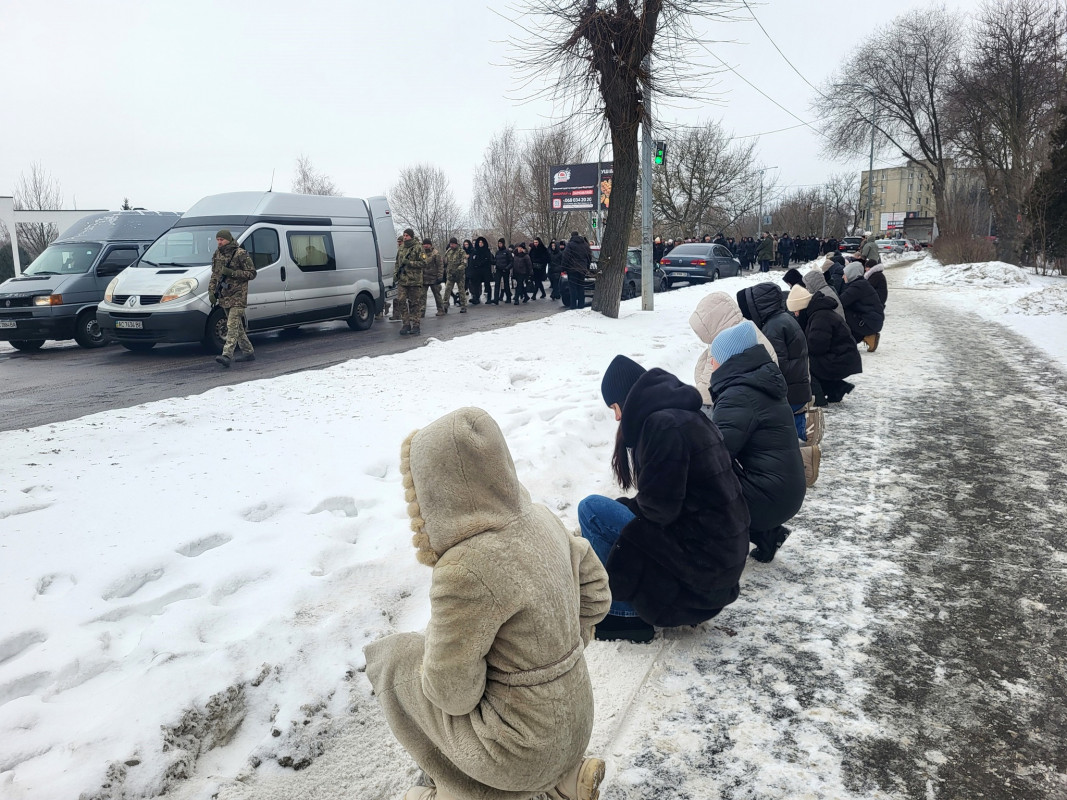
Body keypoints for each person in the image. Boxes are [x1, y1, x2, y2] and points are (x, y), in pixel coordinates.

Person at [364, 408, 611, 800]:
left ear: (433, 489)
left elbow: (452, 694)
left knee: (395, 660)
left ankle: (455, 792)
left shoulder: (464, 568)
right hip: (578, 723)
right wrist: (560, 648)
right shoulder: (544, 520)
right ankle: (565, 780)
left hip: (520, 753)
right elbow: (597, 596)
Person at [576, 355, 751, 643]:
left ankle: (622, 614)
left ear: (624, 398)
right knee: (614, 510)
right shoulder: (685, 415)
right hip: (719, 562)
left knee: (591, 510)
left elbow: (658, 512)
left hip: (701, 571)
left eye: (614, 408)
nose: (617, 417)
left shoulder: (662, 426)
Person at [709, 321, 807, 563]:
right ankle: (767, 535)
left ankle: (718, 554)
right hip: (785, 492)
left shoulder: (739, 394)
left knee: (706, 479)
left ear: (728, 359)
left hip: (771, 498)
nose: (711, 362)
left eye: (714, 357)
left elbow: (714, 454)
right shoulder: (760, 381)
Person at [736, 283, 811, 440]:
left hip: (791, 393)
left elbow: (775, 364)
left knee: (793, 440)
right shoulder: (782, 319)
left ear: (758, 306)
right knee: (797, 433)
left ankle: (805, 461)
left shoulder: (773, 327)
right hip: (797, 389)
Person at [689, 291, 779, 406]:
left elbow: (708, 388)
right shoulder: (745, 329)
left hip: (740, 404)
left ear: (712, 322)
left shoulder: (728, 342)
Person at [787, 284, 862, 405]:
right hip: (843, 356)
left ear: (802, 307)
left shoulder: (820, 317)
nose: (795, 315)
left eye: (796, 311)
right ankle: (837, 388)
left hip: (841, 359)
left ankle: (818, 398)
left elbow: (817, 346)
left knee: (804, 363)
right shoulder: (817, 313)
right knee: (810, 362)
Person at [208, 229, 257, 367]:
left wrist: (233, 273)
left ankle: (227, 355)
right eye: (217, 239)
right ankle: (248, 351)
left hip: (238, 296)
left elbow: (252, 273)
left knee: (231, 325)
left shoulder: (240, 253)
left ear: (229, 239)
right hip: (225, 295)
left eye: (221, 239)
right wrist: (211, 291)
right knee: (237, 327)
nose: (219, 242)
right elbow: (215, 275)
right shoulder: (217, 254)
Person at [839, 261, 885, 350]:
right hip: (872, 321)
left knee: (843, 313)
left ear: (851, 274)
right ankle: (865, 337)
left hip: (870, 323)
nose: (842, 276)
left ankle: (865, 336)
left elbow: (841, 302)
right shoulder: (860, 284)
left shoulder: (857, 287)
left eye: (844, 274)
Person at [396, 228, 425, 336]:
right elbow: (397, 262)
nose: (405, 237)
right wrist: (396, 274)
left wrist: (410, 263)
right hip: (403, 280)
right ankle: (406, 323)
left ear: (411, 236)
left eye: (407, 235)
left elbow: (424, 262)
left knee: (414, 303)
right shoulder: (401, 248)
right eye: (404, 235)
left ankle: (416, 324)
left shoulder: (418, 248)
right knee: (401, 300)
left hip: (414, 280)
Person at [561, 231, 592, 310]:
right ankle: (581, 305)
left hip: (572, 269)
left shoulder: (570, 245)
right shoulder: (585, 245)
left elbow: (566, 257)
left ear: (571, 236)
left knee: (573, 288)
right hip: (582, 269)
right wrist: (587, 267)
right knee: (581, 287)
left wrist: (563, 268)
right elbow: (589, 257)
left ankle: (573, 305)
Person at [441, 238, 467, 314]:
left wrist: (458, 269)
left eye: (452, 244)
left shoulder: (461, 252)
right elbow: (445, 262)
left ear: (456, 244)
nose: (451, 245)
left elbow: (464, 263)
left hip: (459, 275)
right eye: (450, 244)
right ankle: (445, 305)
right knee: (447, 290)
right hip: (450, 275)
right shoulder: (448, 252)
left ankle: (463, 306)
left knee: (461, 290)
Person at [421, 238, 446, 317]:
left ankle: (441, 309)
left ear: (430, 245)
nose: (425, 246)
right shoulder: (422, 253)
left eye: (427, 244)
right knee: (422, 296)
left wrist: (440, 276)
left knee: (437, 295)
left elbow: (440, 266)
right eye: (424, 244)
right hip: (424, 278)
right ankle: (421, 311)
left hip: (434, 278)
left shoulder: (436, 253)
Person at [468, 236, 493, 305]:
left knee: (487, 284)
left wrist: (481, 263)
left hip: (485, 270)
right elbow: (472, 261)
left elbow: (488, 260)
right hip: (477, 271)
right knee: (476, 284)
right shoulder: (475, 251)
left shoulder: (487, 251)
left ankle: (489, 298)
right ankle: (476, 298)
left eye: (482, 242)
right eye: (479, 242)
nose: (480, 243)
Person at [492, 238, 513, 305]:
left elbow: (511, 261)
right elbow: (495, 261)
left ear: (503, 244)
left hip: (505, 270)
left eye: (500, 243)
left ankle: (508, 297)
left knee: (506, 284)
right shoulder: (497, 252)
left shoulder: (507, 252)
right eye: (498, 243)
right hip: (498, 270)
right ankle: (496, 299)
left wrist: (507, 268)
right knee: (497, 284)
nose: (499, 245)